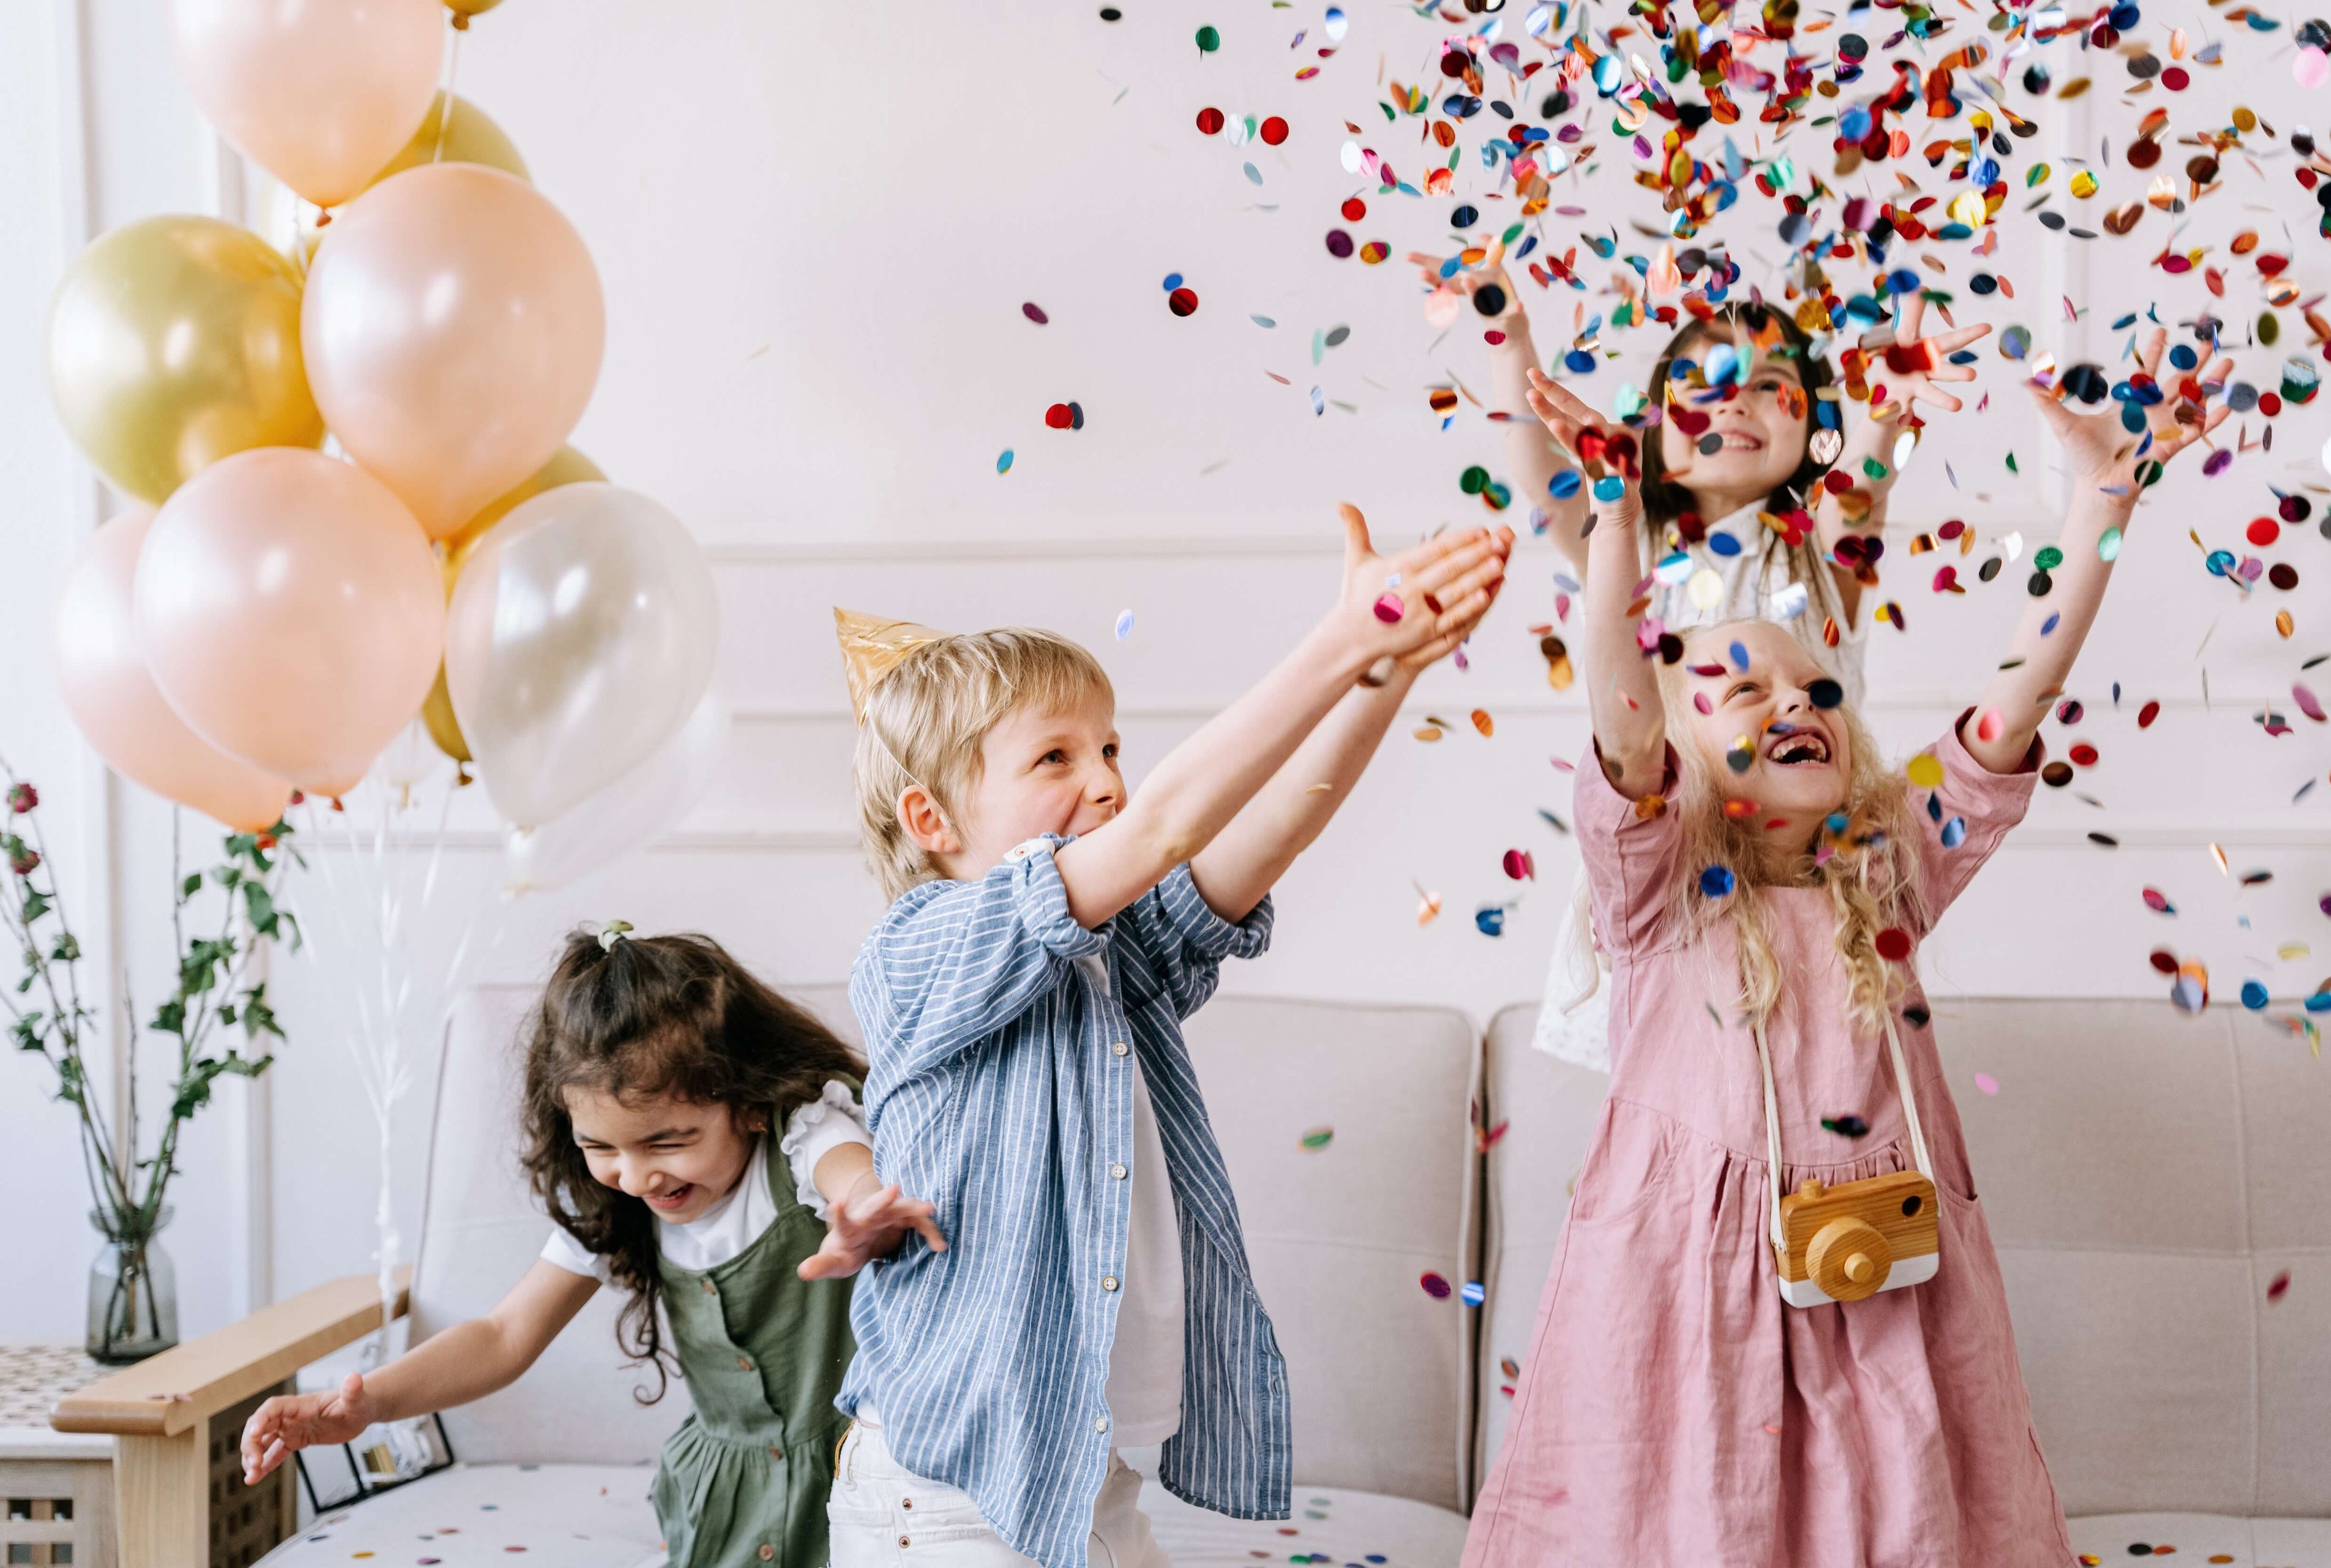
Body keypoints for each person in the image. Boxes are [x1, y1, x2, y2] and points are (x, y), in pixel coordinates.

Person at [1462, 329, 2232, 1565]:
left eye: (1816, 689)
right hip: (1687, 1302)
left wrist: (2100, 505)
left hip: (1891, 1294)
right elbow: (1618, 701)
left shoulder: (1890, 873)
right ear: (1679, 756)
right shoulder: (1658, 895)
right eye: (1742, 693)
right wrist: (1613, 519)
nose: (1793, 702)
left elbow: (2016, 701)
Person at [824, 511, 1511, 1568]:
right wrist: (1344, 638)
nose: (1105, 779)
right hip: (954, 1496)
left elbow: (1258, 835)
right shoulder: (918, 952)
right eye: (1055, 756)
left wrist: (1381, 680)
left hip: (1090, 1479)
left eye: (1109, 747)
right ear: (933, 820)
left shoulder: (1105, 958)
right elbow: (1161, 830)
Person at [1412, 236, 1984, 1071]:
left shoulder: (1818, 550)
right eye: (1704, 388)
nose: (1734, 404)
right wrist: (1508, 321)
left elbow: (1863, 489)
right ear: (1653, 435)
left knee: (1810, 1097)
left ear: (1814, 427)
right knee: (1672, 1116)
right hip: (1668, 886)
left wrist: (1889, 414)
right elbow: (1535, 466)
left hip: (1803, 888)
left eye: (1768, 388)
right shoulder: (1630, 546)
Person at [239, 929, 945, 1568]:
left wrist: (863, 1208)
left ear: (747, 1100)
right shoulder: (615, 1204)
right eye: (599, 1146)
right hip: (722, 1504)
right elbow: (503, 1334)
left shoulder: (801, 1132)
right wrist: (369, 1404)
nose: (637, 1176)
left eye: (668, 1141)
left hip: (856, 1484)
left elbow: (849, 1169)